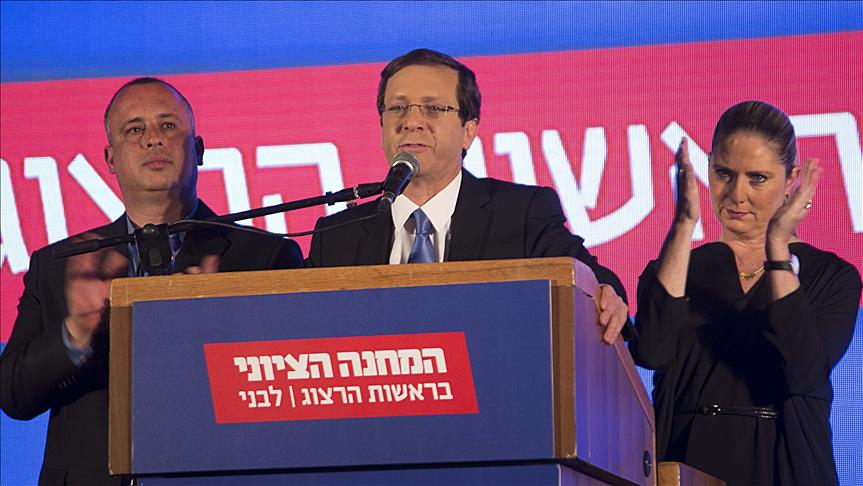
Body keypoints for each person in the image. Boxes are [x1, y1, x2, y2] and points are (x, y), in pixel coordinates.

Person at [0, 77, 303, 485]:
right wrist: (76, 333)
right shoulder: (60, 266)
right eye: (134, 130)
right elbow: (14, 396)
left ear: (198, 150)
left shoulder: (264, 257)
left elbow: (289, 395)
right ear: (110, 158)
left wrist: (219, 334)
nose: (153, 139)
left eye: (168, 125)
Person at [306, 48, 630, 342]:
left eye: (433, 108)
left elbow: (595, 283)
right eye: (398, 108)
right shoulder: (337, 237)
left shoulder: (522, 214)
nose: (411, 121)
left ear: (468, 131)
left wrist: (606, 295)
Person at [629, 100, 861, 485]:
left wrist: (777, 249)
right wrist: (684, 224)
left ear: (791, 179)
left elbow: (801, 372)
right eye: (724, 173)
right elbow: (652, 352)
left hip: (784, 465)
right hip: (687, 465)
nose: (737, 194)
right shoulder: (676, 268)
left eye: (757, 178)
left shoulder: (832, 276)